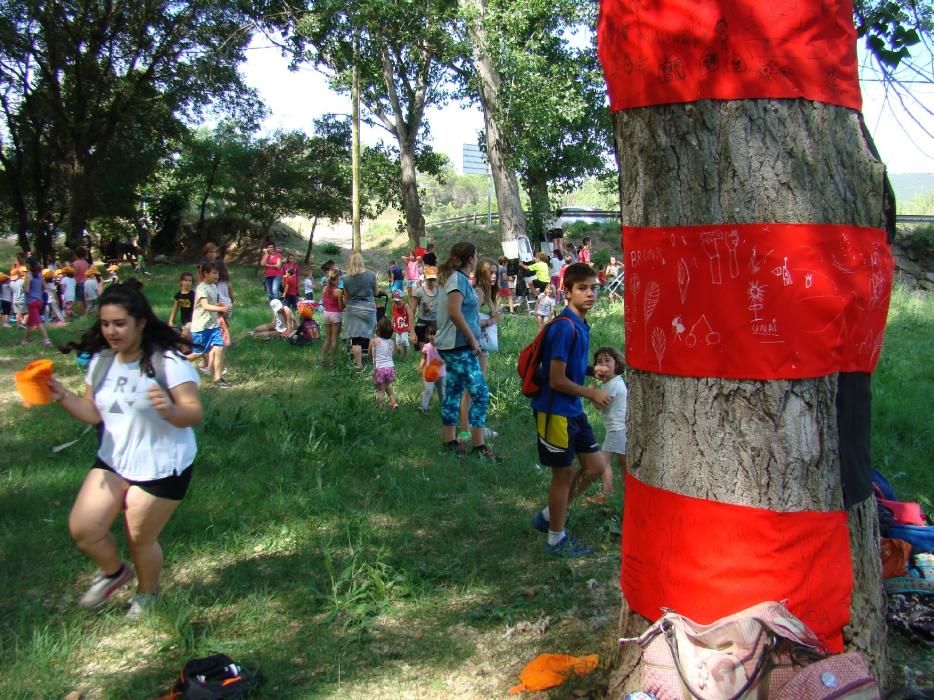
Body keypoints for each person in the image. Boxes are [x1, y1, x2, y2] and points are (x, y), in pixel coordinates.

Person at [47, 280, 202, 618]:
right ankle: (115, 572)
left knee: (139, 538)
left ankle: (148, 595)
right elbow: (92, 412)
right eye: (105, 324)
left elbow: (193, 411)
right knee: (84, 529)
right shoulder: (102, 361)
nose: (111, 332)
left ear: (140, 323)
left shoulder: (168, 361)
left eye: (119, 324)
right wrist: (63, 395)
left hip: (163, 464)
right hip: (115, 459)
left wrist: (171, 411)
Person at [530, 263, 611, 557]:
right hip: (554, 411)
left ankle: (551, 515)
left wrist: (591, 370)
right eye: (582, 288)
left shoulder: (579, 324)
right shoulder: (564, 327)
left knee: (596, 467)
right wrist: (591, 393)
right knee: (562, 475)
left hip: (571, 409)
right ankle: (555, 538)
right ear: (567, 292)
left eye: (594, 288)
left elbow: (567, 368)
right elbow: (554, 379)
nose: (590, 294)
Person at [435, 242, 494, 459]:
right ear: (471, 258)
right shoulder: (458, 279)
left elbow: (466, 311)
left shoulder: (459, 280)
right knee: (480, 393)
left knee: (453, 392)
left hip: (454, 346)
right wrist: (472, 340)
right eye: (476, 255)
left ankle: (450, 441)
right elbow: (454, 312)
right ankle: (479, 446)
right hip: (458, 345)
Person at [592, 346, 628, 503]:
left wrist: (591, 390)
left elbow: (600, 405)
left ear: (617, 364)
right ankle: (629, 493)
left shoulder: (613, 383)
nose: (603, 364)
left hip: (617, 429)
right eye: (599, 361)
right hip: (618, 428)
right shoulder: (610, 382)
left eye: (608, 360)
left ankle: (606, 495)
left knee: (602, 462)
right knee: (625, 464)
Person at [191, 262, 231, 388]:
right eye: (214, 273)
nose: (217, 275)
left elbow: (214, 303)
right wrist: (222, 309)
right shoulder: (201, 288)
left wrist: (221, 309)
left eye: (217, 273)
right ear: (205, 274)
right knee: (197, 354)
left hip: (213, 326)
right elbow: (206, 306)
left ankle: (218, 378)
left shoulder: (214, 287)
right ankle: (176, 362)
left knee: (219, 348)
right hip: (201, 327)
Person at [341, 251, 378, 370]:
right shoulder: (371, 275)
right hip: (368, 309)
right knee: (371, 335)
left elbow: (346, 297)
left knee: (355, 339)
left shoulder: (346, 278)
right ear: (362, 261)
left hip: (353, 310)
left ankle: (359, 364)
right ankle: (375, 363)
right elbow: (376, 292)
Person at [369, 317, 398, 408]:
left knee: (380, 390)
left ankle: (380, 408)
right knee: (388, 386)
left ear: (378, 329)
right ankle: (394, 403)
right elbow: (392, 354)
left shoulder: (373, 341)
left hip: (379, 368)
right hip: (390, 368)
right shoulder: (392, 342)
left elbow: (370, 354)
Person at [21, 262, 52, 346]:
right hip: (39, 300)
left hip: (31, 301)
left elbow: (27, 290)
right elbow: (44, 287)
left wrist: (23, 288)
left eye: (27, 264)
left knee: (38, 322)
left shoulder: (28, 275)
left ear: (30, 265)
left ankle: (46, 340)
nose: (26, 265)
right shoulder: (40, 275)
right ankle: (25, 340)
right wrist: (38, 292)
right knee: (30, 323)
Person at [411, 265, 440, 350]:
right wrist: (412, 331)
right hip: (421, 324)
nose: (431, 282)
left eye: (433, 279)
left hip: (435, 325)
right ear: (425, 278)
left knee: (435, 352)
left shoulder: (440, 291)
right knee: (425, 352)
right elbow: (412, 312)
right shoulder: (419, 292)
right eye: (429, 279)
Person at [319, 268, 344, 367]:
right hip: (335, 315)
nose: (340, 281)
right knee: (335, 339)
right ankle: (332, 361)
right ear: (336, 279)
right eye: (339, 279)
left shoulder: (324, 288)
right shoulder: (338, 291)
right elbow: (340, 306)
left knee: (328, 339)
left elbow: (324, 303)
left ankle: (322, 359)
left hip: (326, 314)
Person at [418, 326, 445, 414]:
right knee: (428, 390)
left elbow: (446, 358)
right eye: (430, 334)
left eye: (434, 334)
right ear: (427, 335)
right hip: (429, 373)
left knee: (441, 391)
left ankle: (444, 407)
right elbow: (424, 358)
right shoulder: (426, 346)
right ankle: (423, 407)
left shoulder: (442, 346)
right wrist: (420, 368)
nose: (432, 336)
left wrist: (441, 362)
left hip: (440, 373)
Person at [390, 290, 414, 357]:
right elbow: (394, 316)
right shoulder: (394, 306)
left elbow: (410, 315)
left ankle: (407, 356)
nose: (396, 301)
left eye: (398, 300)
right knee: (397, 341)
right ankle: (400, 355)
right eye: (395, 300)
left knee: (404, 340)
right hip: (397, 327)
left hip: (404, 327)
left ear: (402, 298)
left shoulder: (405, 306)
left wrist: (410, 326)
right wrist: (391, 323)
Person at [72, 247, 90, 316]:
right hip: (85, 282)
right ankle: (87, 313)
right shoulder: (86, 263)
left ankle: (82, 314)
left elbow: (74, 274)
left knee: (79, 299)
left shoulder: (75, 263)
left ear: (76, 254)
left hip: (78, 283)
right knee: (85, 298)